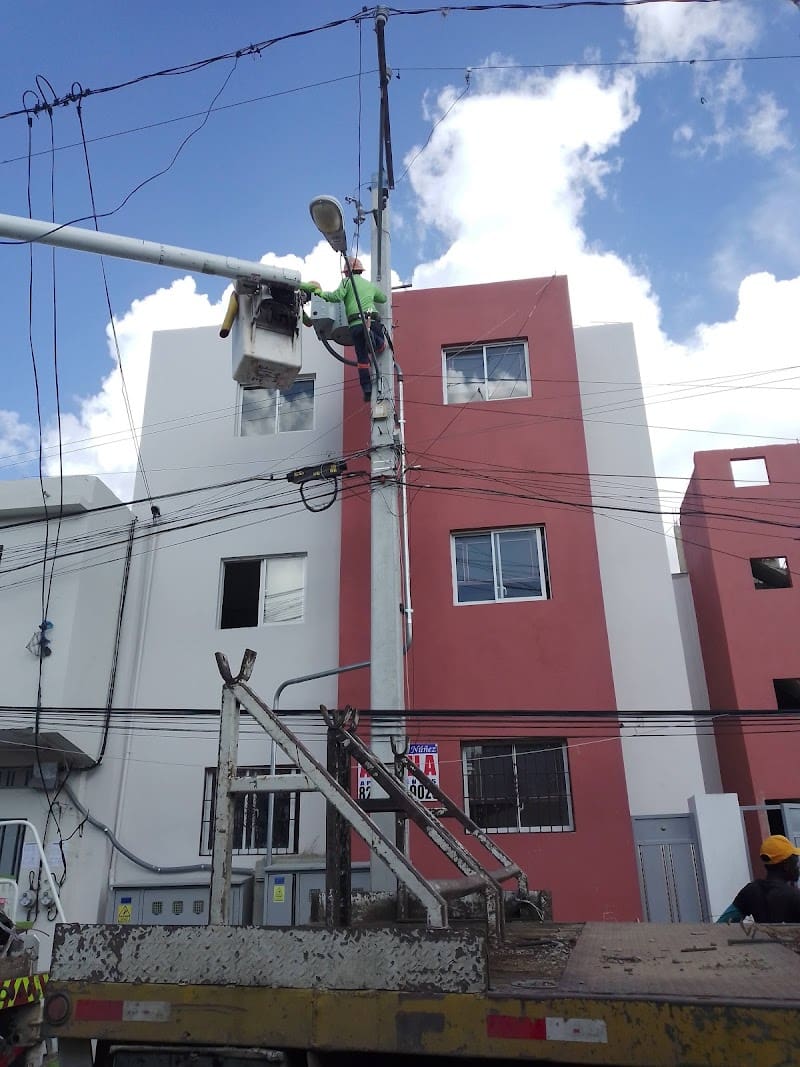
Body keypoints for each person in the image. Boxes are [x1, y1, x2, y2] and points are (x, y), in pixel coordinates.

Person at [315, 257, 387, 402]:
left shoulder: (346, 282)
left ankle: (367, 389)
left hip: (354, 325)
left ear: (347, 272)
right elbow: (383, 298)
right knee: (381, 346)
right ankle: (372, 337)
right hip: (371, 320)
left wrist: (321, 294)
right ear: (360, 271)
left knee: (362, 360)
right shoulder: (369, 285)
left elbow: (337, 296)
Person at [717, 834, 800, 923]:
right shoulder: (795, 896)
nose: (798, 867)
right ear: (786, 866)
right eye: (796, 863)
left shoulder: (751, 891)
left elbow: (723, 923)